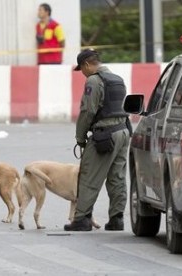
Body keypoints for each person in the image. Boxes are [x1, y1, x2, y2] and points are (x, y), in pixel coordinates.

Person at [64, 49, 131, 231]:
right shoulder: (117, 79)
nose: (82, 73)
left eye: (82, 69)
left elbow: (88, 111)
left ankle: (82, 219)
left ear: (87, 64)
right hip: (123, 132)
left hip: (105, 135)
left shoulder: (94, 80)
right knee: (117, 177)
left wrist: (80, 137)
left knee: (88, 175)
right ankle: (117, 219)